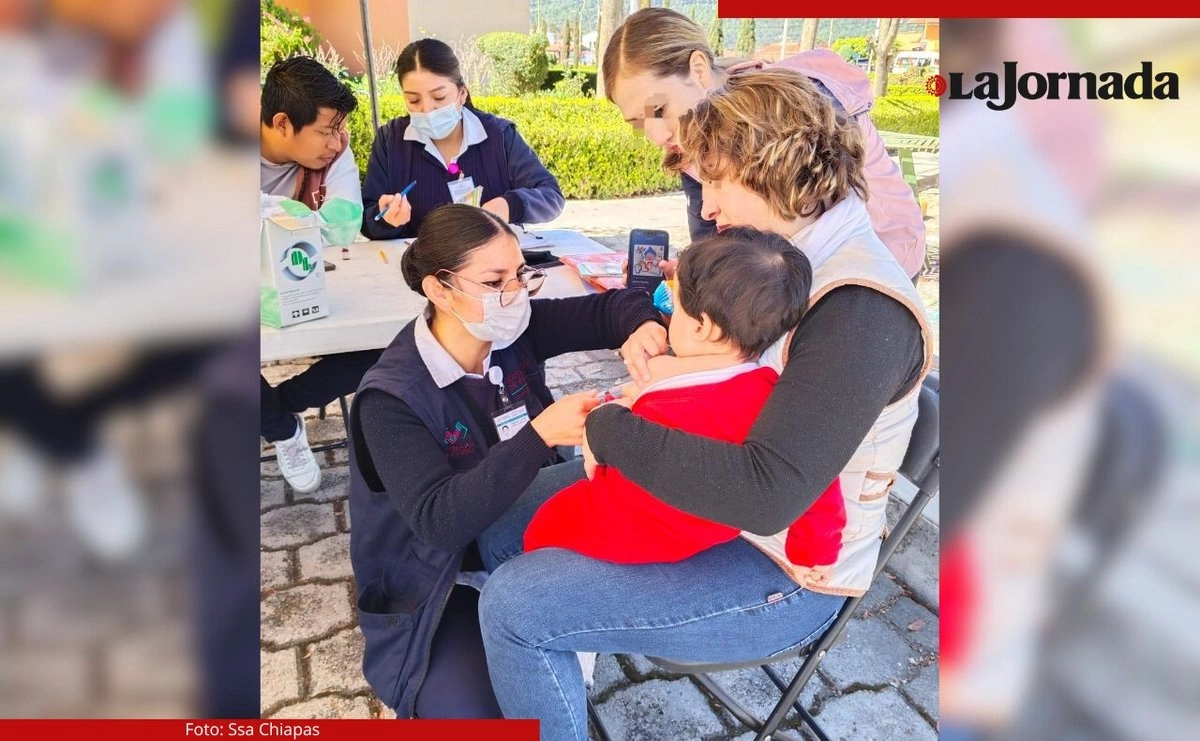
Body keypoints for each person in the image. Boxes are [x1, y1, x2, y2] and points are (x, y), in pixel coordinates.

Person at [474, 68, 934, 740]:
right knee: (498, 522)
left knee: (515, 605)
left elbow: (767, 494)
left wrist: (610, 426)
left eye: (716, 179)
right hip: (710, 505)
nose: (707, 204)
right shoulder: (785, 260)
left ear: (773, 167)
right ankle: (554, 669)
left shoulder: (861, 307)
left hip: (782, 569)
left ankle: (545, 655)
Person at [346, 204, 666, 719]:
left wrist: (643, 328)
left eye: (520, 274)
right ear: (439, 289)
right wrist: (540, 435)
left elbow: (612, 309)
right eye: (495, 280)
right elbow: (439, 521)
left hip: (525, 532)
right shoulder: (392, 398)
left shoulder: (512, 332)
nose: (515, 294)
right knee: (491, 713)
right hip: (438, 577)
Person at [524, 227, 846, 573]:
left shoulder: (661, 390)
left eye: (674, 307)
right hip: (711, 530)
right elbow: (818, 484)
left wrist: (609, 414)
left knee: (542, 526)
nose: (669, 315)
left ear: (703, 327)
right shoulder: (774, 394)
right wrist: (813, 551)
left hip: (633, 528)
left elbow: (615, 464)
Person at [601, 7, 927, 280]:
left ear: (698, 69)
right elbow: (718, 246)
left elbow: (807, 241)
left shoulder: (792, 106)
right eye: (638, 124)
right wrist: (690, 275)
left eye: (658, 110)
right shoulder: (687, 147)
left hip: (883, 260)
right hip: (801, 281)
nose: (657, 136)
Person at [258, 55, 378, 495]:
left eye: (338, 129)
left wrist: (278, 213)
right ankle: (282, 427)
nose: (336, 142)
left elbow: (340, 225)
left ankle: (281, 405)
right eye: (326, 130)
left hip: (304, 279)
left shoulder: (334, 152)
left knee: (384, 344)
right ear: (283, 123)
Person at [360, 38, 564, 239]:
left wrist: (509, 205)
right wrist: (386, 220)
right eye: (413, 100)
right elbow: (368, 221)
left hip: (492, 265)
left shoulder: (499, 136)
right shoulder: (391, 141)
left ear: (462, 93)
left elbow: (551, 196)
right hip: (422, 267)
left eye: (439, 97)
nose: (427, 109)